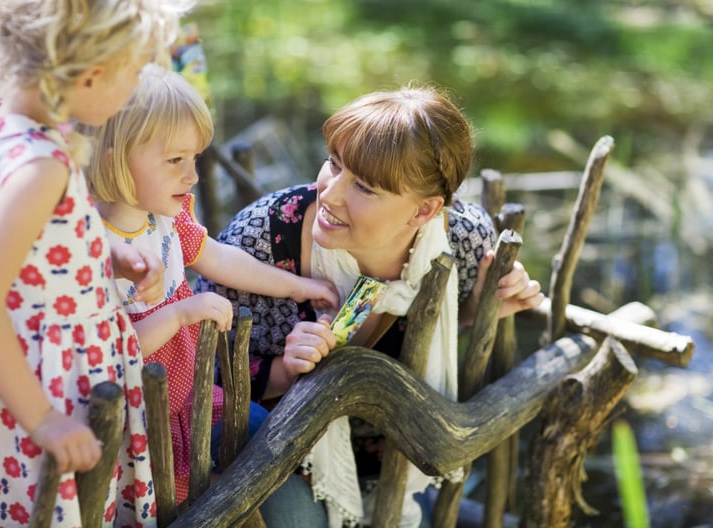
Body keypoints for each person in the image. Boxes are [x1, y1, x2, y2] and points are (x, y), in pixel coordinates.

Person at [196, 84, 545, 527]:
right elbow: (195, 376)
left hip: (397, 464)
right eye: (333, 164)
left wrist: (480, 309)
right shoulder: (260, 240)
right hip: (277, 457)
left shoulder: (461, 242)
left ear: (424, 212)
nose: (331, 193)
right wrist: (286, 369)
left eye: (364, 186)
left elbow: (441, 321)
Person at [0, 0, 184, 525]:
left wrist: (105, 250)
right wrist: (45, 421)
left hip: (37, 371)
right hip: (49, 383)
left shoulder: (0, 124)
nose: (133, 89)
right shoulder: (40, 168)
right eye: (132, 72)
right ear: (90, 73)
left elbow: (33, 238)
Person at [86, 63, 339, 506]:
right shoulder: (88, 245)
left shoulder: (166, 216)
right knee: (182, 506)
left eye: (195, 159)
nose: (193, 177)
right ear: (116, 157)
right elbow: (112, 350)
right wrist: (181, 312)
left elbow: (219, 257)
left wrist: (296, 286)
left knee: (274, 443)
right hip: (143, 424)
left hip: (194, 396)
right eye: (175, 160)